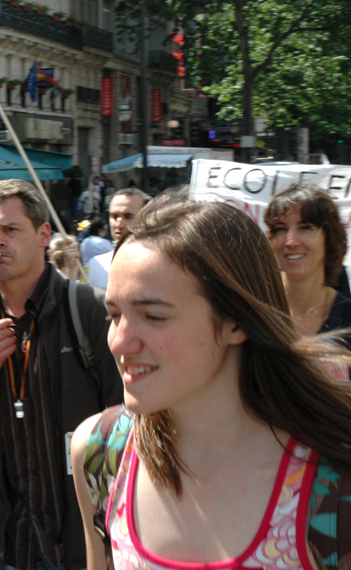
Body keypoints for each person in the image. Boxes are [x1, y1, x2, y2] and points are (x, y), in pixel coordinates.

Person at [70, 198, 351, 570]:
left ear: (236, 321)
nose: (119, 341)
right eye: (115, 314)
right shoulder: (101, 451)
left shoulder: (333, 482)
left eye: (153, 316)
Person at [0, 179, 123, 570]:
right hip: (1, 549)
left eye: (10, 229)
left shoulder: (91, 312)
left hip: (84, 543)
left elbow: (130, 424)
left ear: (43, 234)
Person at [265, 184, 351, 377]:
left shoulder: (347, 316)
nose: (291, 241)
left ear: (329, 238)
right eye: (280, 229)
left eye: (305, 228)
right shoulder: (252, 309)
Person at [87, 188, 148, 289]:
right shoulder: (95, 265)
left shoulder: (164, 265)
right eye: (114, 216)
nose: (119, 224)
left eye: (128, 217)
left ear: (146, 218)